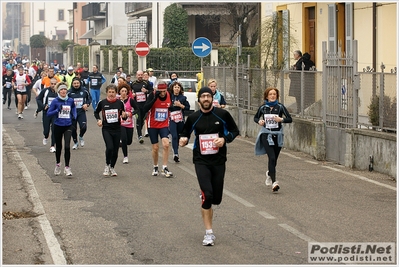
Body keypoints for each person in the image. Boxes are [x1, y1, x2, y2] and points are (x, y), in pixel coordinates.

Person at [179, 87, 240, 246]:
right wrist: (183, 139)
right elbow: (184, 133)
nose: (206, 99)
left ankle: (208, 196)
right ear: (199, 100)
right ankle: (209, 233)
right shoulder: (193, 117)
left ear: (213, 98)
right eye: (203, 96)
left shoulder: (222, 115)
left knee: (217, 198)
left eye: (208, 96)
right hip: (201, 160)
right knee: (208, 195)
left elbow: (235, 131)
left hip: (219, 160)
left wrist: (224, 139)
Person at [254, 87, 292, 192]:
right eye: (270, 94)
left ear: (277, 96)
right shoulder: (263, 108)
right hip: (266, 134)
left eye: (274, 94)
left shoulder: (280, 107)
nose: (272, 96)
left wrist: (281, 119)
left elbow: (290, 119)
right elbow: (256, 117)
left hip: (278, 134)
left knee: (274, 158)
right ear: (267, 96)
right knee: (271, 157)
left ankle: (269, 173)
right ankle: (274, 183)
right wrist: (259, 122)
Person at [94, 84, 128, 177]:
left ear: (116, 93)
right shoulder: (102, 102)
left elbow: (123, 116)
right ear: (106, 92)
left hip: (117, 129)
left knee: (115, 150)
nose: (111, 94)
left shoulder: (120, 103)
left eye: (113, 92)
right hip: (106, 129)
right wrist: (99, 120)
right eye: (109, 92)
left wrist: (125, 116)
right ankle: (107, 165)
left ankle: (112, 167)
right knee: (110, 147)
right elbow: (96, 112)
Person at [143, 81, 173, 177]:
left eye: (164, 91)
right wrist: (155, 98)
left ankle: (164, 167)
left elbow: (170, 107)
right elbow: (145, 108)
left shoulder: (169, 95)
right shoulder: (152, 95)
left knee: (166, 144)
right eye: (160, 91)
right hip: (153, 125)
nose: (163, 93)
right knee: (155, 148)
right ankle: (155, 166)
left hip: (164, 124)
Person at [46, 82, 77, 176]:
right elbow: (48, 114)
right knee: (59, 147)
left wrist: (74, 116)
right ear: (58, 92)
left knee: (67, 146)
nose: (63, 91)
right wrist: (57, 110)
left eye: (65, 89)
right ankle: (58, 164)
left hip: (68, 125)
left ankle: (67, 167)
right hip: (58, 126)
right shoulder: (55, 101)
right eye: (61, 90)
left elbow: (74, 108)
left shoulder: (70, 100)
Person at [168, 81, 190, 163]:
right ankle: (176, 154)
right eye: (175, 87)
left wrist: (181, 105)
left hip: (180, 119)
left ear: (180, 89)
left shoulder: (183, 98)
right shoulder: (169, 97)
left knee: (179, 136)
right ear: (172, 89)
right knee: (174, 136)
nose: (176, 89)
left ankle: (176, 148)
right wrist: (171, 105)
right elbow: (166, 106)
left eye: (178, 87)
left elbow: (188, 107)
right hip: (172, 119)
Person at [118, 82, 139, 163]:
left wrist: (131, 113)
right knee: (124, 139)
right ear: (119, 92)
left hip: (129, 123)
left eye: (125, 91)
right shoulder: (117, 101)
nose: (124, 93)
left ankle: (122, 143)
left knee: (129, 141)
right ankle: (125, 157)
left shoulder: (131, 100)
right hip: (121, 123)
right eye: (122, 91)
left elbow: (137, 109)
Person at [68, 77, 91, 150]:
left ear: (80, 83)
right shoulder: (69, 92)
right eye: (74, 83)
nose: (76, 85)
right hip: (72, 113)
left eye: (77, 83)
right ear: (72, 84)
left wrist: (87, 104)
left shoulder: (84, 91)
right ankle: (75, 143)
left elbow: (89, 99)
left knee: (84, 127)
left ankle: (81, 136)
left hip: (81, 112)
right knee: (73, 129)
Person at [130, 70, 153, 144]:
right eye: (138, 75)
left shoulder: (147, 83)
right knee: (138, 119)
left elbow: (152, 91)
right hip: (136, 105)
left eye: (141, 75)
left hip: (144, 105)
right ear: (136, 75)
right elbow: (129, 92)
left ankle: (139, 128)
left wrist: (146, 91)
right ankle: (140, 135)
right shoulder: (133, 84)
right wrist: (132, 95)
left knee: (142, 120)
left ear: (143, 75)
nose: (140, 76)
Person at [37, 78, 58, 153]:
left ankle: (52, 146)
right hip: (47, 113)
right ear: (49, 84)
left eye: (55, 84)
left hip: (56, 113)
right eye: (52, 84)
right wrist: (43, 106)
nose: (53, 85)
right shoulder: (45, 91)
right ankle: (46, 136)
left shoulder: (59, 92)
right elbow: (38, 99)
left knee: (54, 129)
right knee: (46, 130)